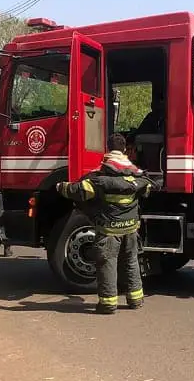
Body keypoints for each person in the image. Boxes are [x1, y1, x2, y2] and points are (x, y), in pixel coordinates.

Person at [56, 134, 152, 314]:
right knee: (131, 262)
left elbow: (79, 191)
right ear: (124, 150)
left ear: (107, 149)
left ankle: (108, 303)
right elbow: (145, 192)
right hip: (131, 229)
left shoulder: (101, 178)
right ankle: (136, 299)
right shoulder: (135, 175)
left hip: (109, 230)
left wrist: (61, 187)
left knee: (107, 263)